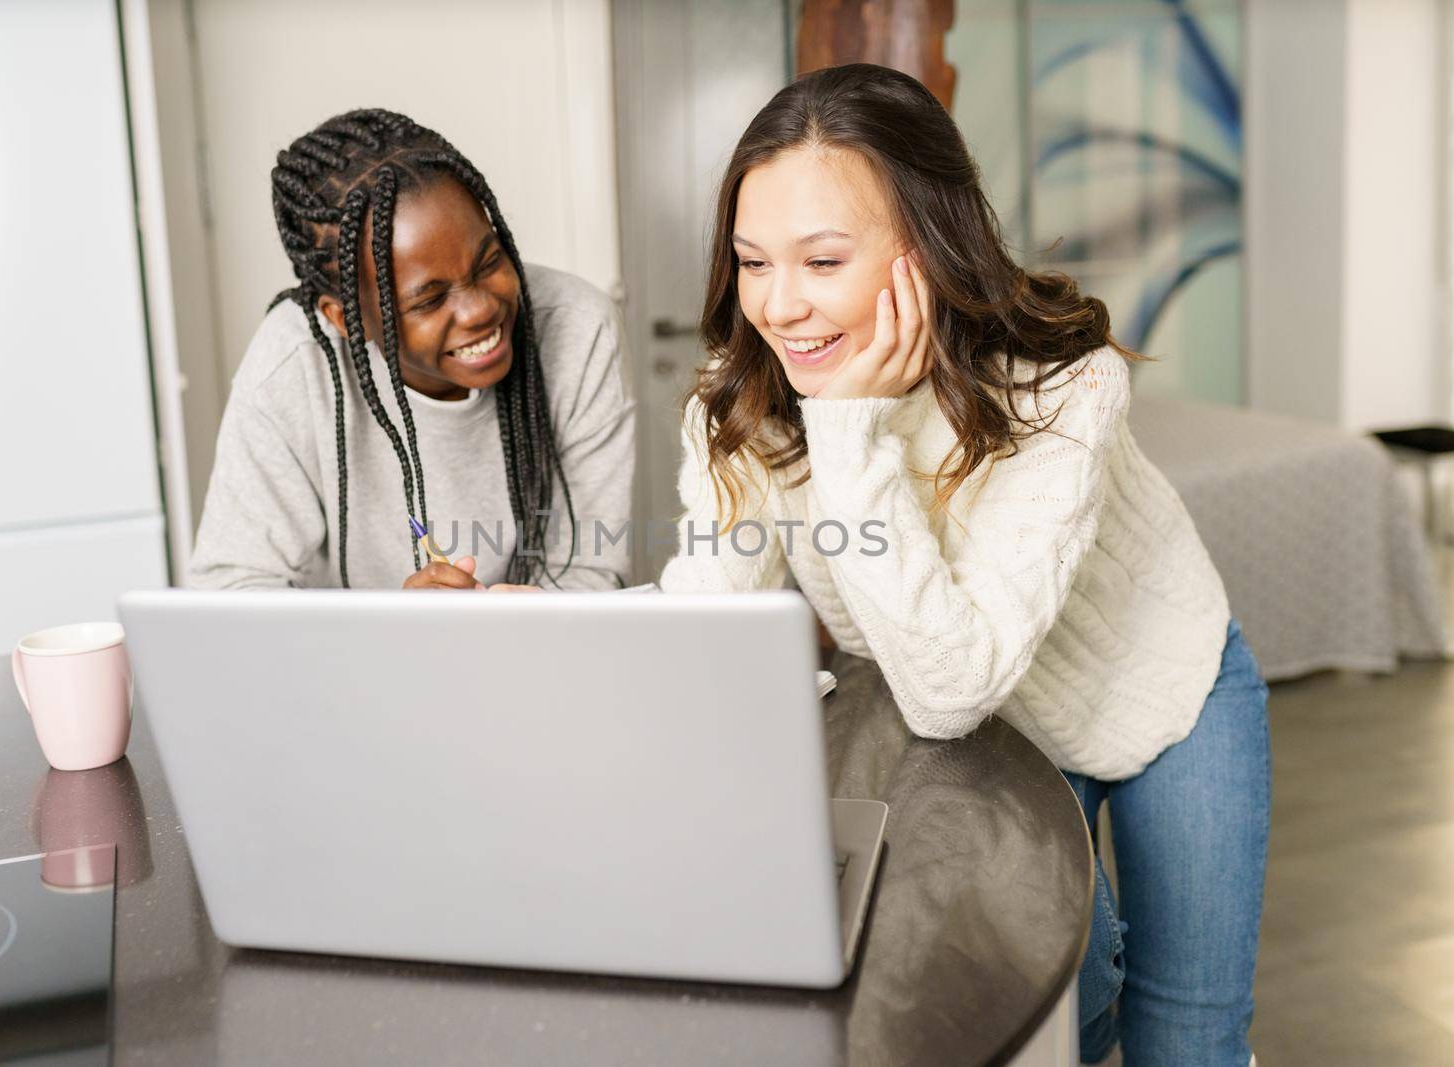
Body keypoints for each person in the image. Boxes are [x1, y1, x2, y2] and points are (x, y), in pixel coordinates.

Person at [660, 64, 1267, 1067]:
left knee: (1186, 1037)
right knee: (1065, 1002)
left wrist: (847, 430)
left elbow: (948, 686)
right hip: (1001, 733)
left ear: (923, 245)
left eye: (821, 260)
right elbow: (711, 627)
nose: (779, 305)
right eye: (752, 261)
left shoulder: (1066, 388)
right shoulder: (742, 413)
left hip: (1165, 691)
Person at [190, 109, 635, 592]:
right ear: (345, 320)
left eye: (489, 261)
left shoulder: (578, 326)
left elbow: (592, 568)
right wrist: (397, 632)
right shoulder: (292, 363)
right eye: (430, 298)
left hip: (542, 657)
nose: (480, 309)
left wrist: (526, 625)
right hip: (359, 668)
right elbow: (231, 590)